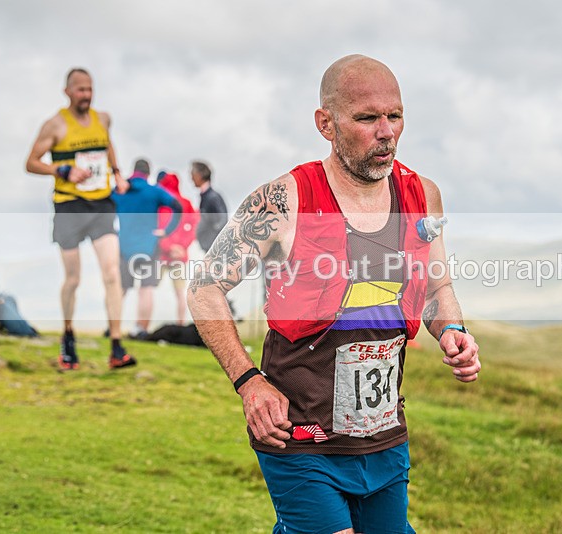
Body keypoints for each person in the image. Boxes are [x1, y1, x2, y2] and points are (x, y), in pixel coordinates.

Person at [188, 55, 481, 534]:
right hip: (299, 433)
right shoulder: (284, 200)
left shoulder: (421, 195)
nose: (385, 131)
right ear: (326, 123)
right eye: (367, 118)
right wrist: (248, 382)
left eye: (395, 115)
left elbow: (435, 285)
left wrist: (453, 329)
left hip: (383, 436)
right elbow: (205, 288)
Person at [25, 67, 134, 370]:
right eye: (80, 90)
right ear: (68, 92)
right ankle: (68, 337)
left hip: (101, 204)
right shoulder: (55, 125)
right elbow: (31, 163)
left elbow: (107, 143)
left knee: (112, 273)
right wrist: (63, 171)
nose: (86, 95)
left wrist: (117, 172)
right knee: (73, 278)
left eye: (89, 89)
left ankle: (116, 346)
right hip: (69, 206)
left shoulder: (103, 119)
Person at [113, 159, 182, 340]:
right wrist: (166, 232)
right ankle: (141, 329)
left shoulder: (120, 191)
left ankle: (114, 328)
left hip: (123, 246)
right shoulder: (154, 192)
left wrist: (112, 233)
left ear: (133, 170)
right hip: (149, 247)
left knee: (120, 289)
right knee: (146, 289)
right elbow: (178, 207)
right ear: (148, 173)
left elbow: (103, 209)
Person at [157, 172, 199, 325]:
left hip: (161, 254)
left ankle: (143, 327)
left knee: (148, 290)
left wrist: (168, 247)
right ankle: (180, 324)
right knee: (180, 293)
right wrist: (182, 247)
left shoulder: (161, 204)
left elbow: (157, 229)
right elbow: (195, 226)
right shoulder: (186, 203)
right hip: (179, 255)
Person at [191, 160, 228, 252]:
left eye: (192, 174)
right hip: (209, 248)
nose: (191, 178)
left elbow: (223, 220)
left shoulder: (212, 197)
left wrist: (212, 239)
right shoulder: (207, 196)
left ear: (199, 175)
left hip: (214, 249)